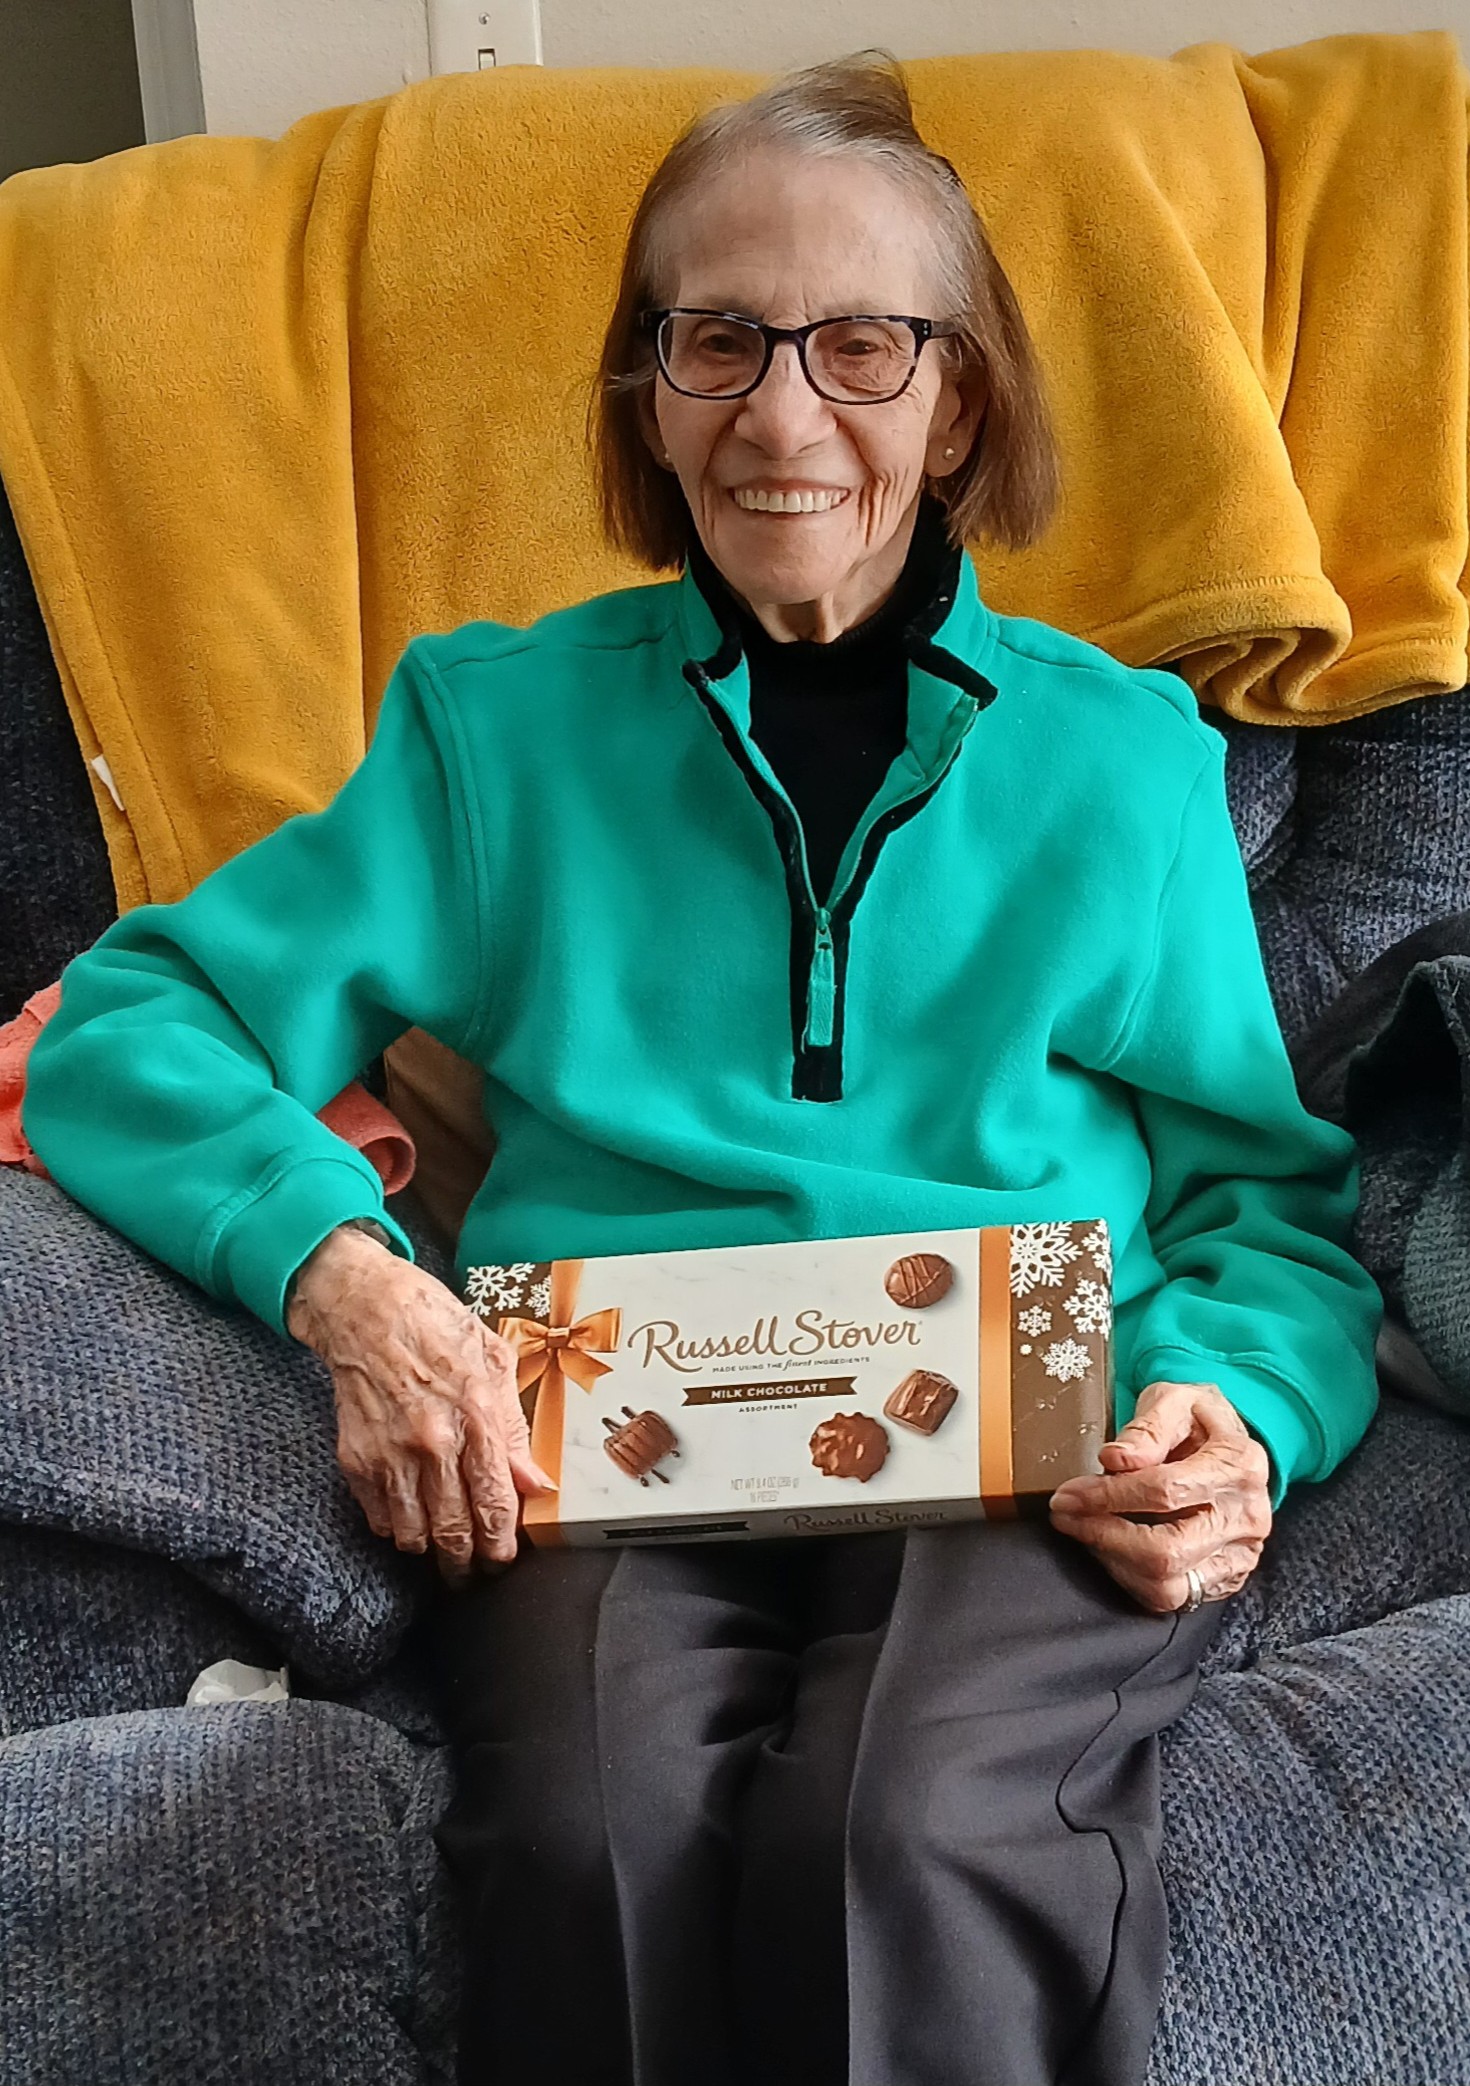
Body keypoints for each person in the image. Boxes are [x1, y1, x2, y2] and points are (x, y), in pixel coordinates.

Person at [22, 50, 1382, 2086]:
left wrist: (1237, 1410)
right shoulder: (495, 736)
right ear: (645, 396)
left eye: (859, 345)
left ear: (957, 403)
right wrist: (350, 1280)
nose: (780, 414)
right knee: (592, 1838)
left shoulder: (1124, 764)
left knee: (899, 1836)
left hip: (1023, 1427)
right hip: (601, 1438)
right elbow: (137, 1018)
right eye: (717, 340)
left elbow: (1260, 1201)